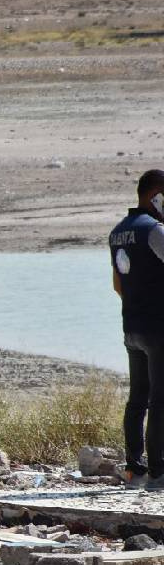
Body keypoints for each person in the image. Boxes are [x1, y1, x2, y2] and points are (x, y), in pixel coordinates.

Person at [111, 169, 164, 489]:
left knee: (138, 399)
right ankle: (159, 471)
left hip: (131, 325)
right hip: (158, 327)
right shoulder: (153, 230)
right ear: (155, 194)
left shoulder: (118, 232)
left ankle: (135, 468)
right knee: (160, 399)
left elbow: (117, 283)